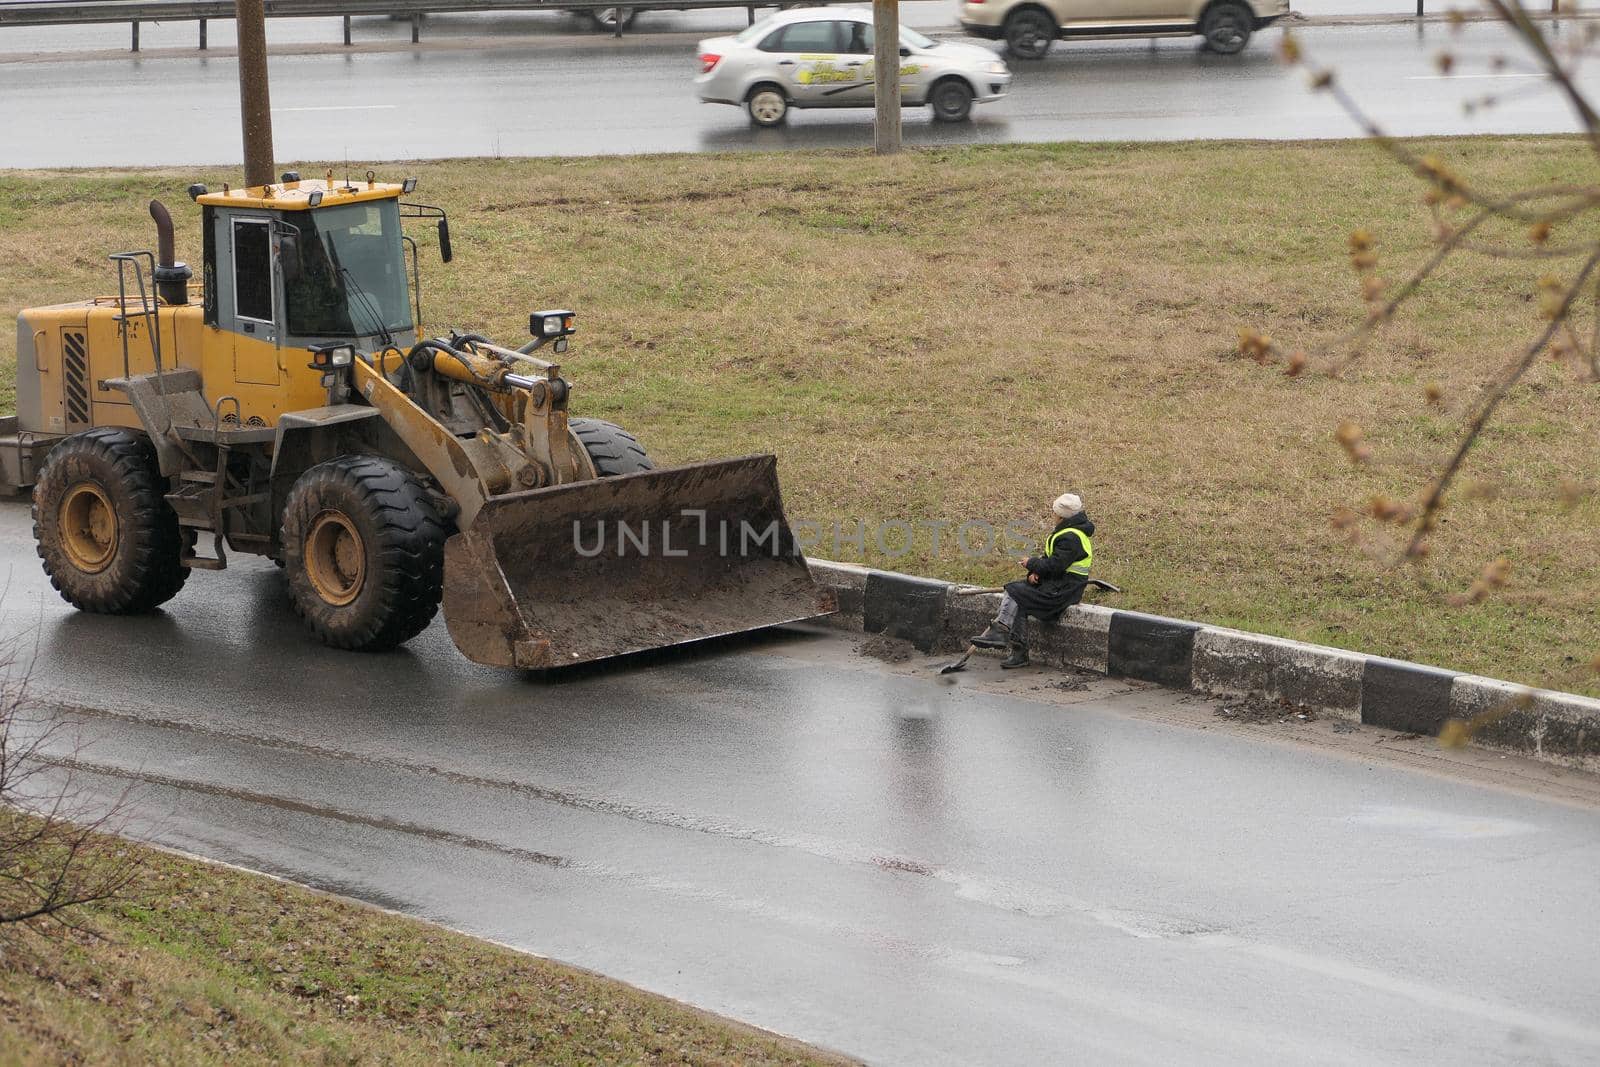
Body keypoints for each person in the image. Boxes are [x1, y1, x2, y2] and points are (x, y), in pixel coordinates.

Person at [969, 492, 1095, 669]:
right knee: (1021, 597)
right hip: (1058, 586)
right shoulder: (1067, 533)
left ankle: (1001, 631)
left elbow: (1055, 565)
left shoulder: (1071, 537)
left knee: (1014, 590)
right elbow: (1051, 561)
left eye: (1054, 512)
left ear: (1060, 515)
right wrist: (1035, 574)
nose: (1053, 515)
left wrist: (1031, 563)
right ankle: (1018, 652)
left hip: (1063, 592)